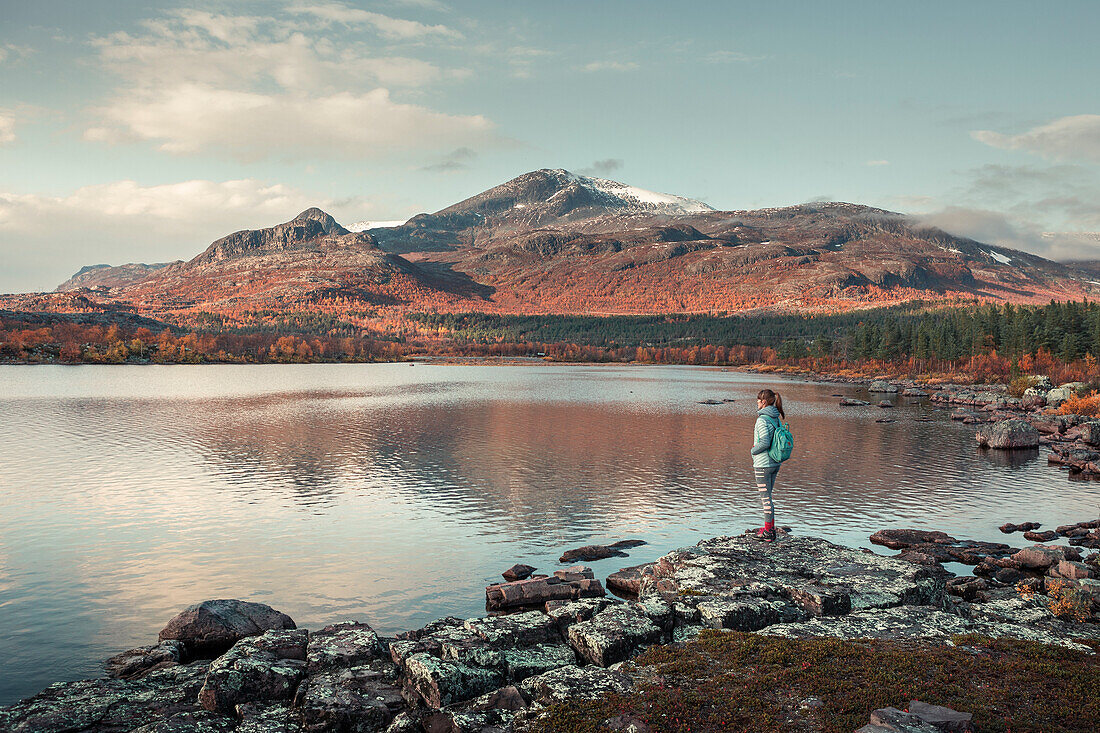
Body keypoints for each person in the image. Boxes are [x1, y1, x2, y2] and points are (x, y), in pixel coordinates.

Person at [750, 388, 785, 542]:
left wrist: (752, 450)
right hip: (774, 463)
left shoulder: (762, 419)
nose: (756, 403)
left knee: (765, 498)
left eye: (758, 401)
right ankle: (769, 528)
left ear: (763, 402)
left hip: (763, 464)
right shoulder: (775, 418)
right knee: (768, 497)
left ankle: (769, 532)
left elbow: (764, 442)